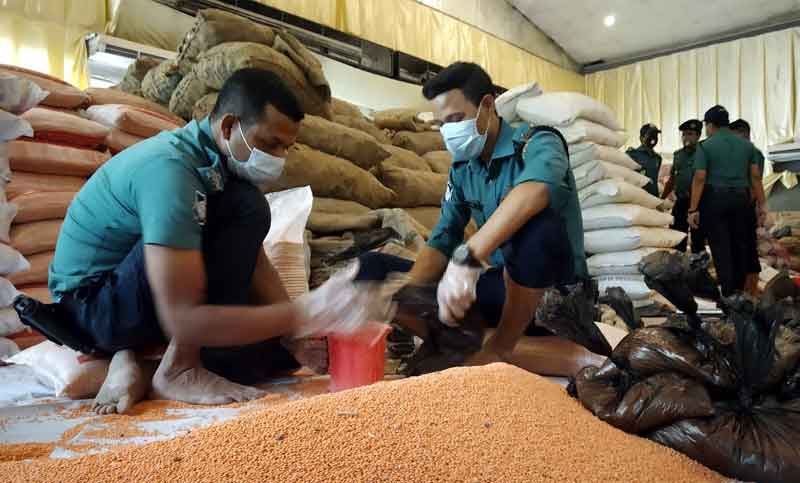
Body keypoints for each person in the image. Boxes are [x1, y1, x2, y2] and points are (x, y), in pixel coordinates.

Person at [36, 68, 392, 414]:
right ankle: (179, 368)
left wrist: (294, 336)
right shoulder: (172, 171)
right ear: (228, 126)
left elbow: (252, 258)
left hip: (134, 302)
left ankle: (138, 366)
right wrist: (311, 309)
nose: (279, 158)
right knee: (247, 207)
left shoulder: (216, 169)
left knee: (274, 352)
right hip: (94, 307)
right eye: (270, 143)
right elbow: (183, 319)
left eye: (286, 147)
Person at [357, 62, 602, 376]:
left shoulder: (538, 142)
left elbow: (536, 191)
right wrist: (406, 293)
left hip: (553, 293)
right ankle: (475, 343)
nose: (448, 132)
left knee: (532, 225)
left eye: (455, 119)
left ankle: (500, 347)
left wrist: (468, 256)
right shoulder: (463, 170)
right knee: (373, 269)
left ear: (487, 105)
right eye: (442, 124)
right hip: (502, 287)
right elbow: (443, 237)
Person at [688, 106, 766, 297]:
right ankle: (739, 292)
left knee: (721, 247)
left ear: (710, 125)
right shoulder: (747, 146)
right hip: (741, 199)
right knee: (740, 245)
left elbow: (700, 177)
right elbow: (755, 177)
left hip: (715, 200)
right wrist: (762, 205)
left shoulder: (706, 146)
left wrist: (693, 209)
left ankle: (728, 293)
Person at [730, 118, 765, 296]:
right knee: (741, 250)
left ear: (743, 134)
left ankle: (748, 293)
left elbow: (754, 183)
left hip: (745, 209)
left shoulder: (753, 154)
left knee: (747, 251)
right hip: (738, 208)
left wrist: (747, 205)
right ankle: (745, 292)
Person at [661, 119, 706, 253]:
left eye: (690, 134)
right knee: (677, 236)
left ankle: (698, 263)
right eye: (684, 134)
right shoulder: (678, 155)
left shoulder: (704, 153)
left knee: (698, 238)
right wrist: (661, 198)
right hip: (681, 201)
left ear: (698, 136)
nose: (686, 137)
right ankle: (678, 262)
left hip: (699, 202)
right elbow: (672, 179)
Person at [627, 124, 663, 197]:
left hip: (653, 197)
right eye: (650, 134)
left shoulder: (658, 158)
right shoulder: (632, 154)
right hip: (638, 197)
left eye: (655, 135)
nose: (653, 137)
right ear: (641, 138)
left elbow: (654, 181)